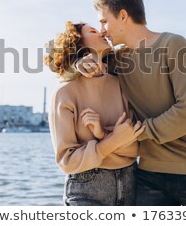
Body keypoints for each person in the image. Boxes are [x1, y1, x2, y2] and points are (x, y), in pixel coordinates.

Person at [76, 0, 186, 206]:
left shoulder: (173, 44)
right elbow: (66, 65)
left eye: (104, 21)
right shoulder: (116, 60)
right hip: (149, 175)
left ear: (123, 15)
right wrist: (79, 63)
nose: (102, 30)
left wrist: (134, 134)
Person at [44, 21, 145, 206]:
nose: (101, 32)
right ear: (78, 43)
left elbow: (136, 146)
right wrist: (113, 141)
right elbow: (67, 161)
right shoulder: (64, 93)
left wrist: (102, 134)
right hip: (87, 189)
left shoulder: (121, 83)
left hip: (132, 184)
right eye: (93, 31)